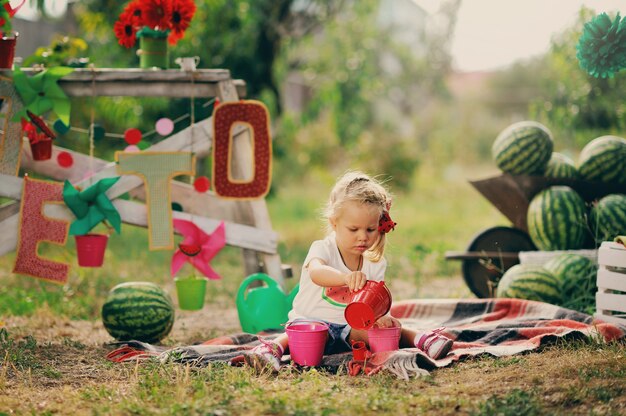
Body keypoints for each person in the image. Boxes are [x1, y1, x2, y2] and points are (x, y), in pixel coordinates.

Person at [244, 171, 453, 372]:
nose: (363, 237)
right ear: (334, 223)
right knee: (306, 333)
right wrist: (345, 278)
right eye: (353, 229)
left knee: (386, 328)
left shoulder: (374, 262)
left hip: (349, 329)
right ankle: (271, 348)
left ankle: (422, 339)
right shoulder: (322, 248)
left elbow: (376, 301)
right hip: (312, 322)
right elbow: (316, 272)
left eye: (370, 229)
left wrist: (381, 317)